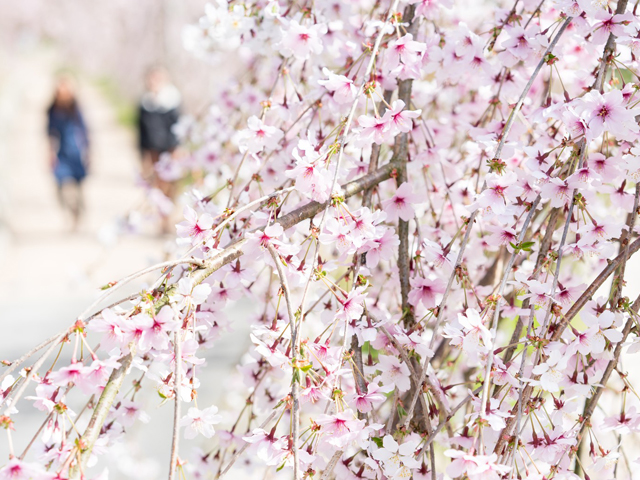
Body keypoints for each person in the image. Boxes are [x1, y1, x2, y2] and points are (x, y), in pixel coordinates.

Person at [47, 75, 89, 232]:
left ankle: (78, 213)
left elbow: (85, 131)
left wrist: (88, 152)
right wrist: (49, 153)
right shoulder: (52, 110)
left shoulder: (76, 109)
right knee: (62, 186)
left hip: (76, 153)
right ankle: (70, 213)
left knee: (77, 188)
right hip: (61, 154)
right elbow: (50, 133)